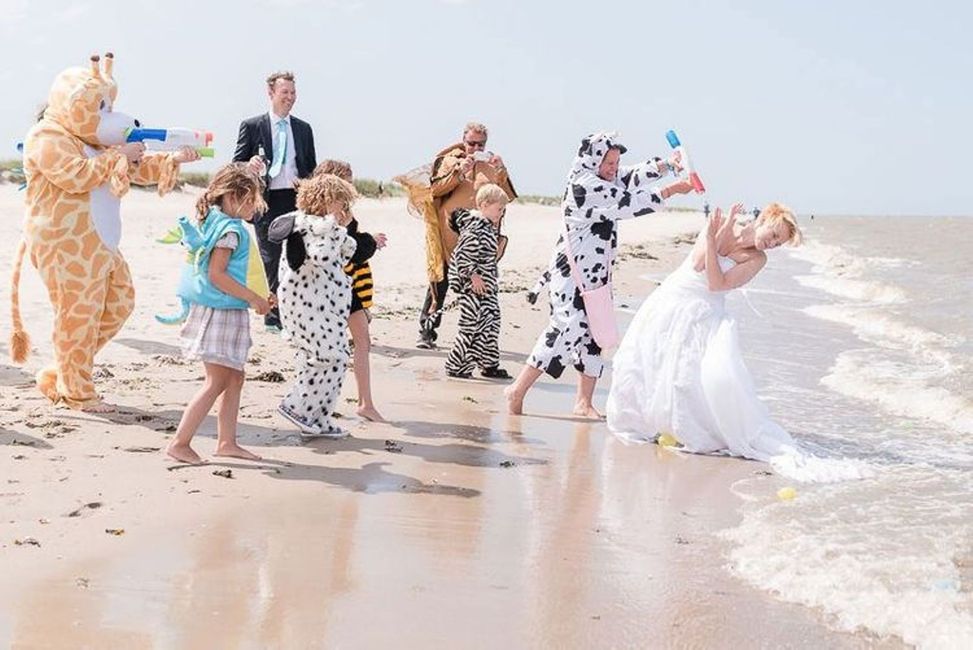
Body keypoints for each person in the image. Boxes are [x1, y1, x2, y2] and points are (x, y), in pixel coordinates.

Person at [606, 203, 864, 481]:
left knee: (691, 377)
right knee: (645, 360)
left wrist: (712, 238)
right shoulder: (725, 226)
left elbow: (716, 284)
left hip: (704, 309)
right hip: (672, 298)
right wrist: (720, 231)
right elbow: (697, 264)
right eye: (774, 234)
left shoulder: (757, 259)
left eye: (778, 242)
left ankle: (684, 427)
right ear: (764, 218)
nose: (772, 243)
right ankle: (646, 421)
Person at [9, 52, 200, 413]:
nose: (108, 114)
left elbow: (133, 168)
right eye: (100, 106)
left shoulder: (96, 141)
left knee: (120, 302)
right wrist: (118, 156)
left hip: (100, 242)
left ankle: (62, 372)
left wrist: (171, 160)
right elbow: (75, 174)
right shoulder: (46, 135)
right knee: (76, 315)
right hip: (65, 243)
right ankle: (78, 393)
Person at [504, 132, 694, 417]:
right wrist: (671, 190)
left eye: (616, 162)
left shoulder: (606, 177)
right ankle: (517, 390)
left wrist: (669, 165)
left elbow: (630, 178)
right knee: (565, 329)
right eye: (608, 163)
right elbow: (626, 203)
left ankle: (583, 403)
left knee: (597, 332)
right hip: (571, 273)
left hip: (598, 274)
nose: (613, 168)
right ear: (593, 159)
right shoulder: (585, 184)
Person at [166, 164, 272, 464]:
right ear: (233, 196)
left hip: (224, 309)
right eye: (251, 200)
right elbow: (217, 275)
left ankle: (227, 442)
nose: (255, 207)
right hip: (220, 312)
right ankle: (180, 442)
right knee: (216, 381)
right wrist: (253, 298)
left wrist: (258, 296)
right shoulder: (229, 229)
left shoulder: (216, 220)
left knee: (235, 376)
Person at [268, 174, 358, 439]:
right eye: (340, 202)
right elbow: (322, 255)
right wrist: (336, 228)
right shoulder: (310, 225)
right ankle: (296, 406)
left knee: (338, 358)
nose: (343, 208)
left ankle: (319, 416)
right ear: (327, 201)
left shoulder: (326, 227)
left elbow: (347, 252)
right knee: (326, 356)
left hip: (327, 306)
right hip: (308, 306)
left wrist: (341, 229)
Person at [417, 122, 517, 349]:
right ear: (463, 140)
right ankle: (427, 331)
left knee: (480, 286)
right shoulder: (450, 161)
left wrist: (501, 170)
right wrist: (458, 173)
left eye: (480, 144)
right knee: (439, 280)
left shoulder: (491, 165)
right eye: (471, 143)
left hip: (481, 236)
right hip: (448, 232)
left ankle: (476, 338)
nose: (475, 147)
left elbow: (507, 196)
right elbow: (434, 190)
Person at [233, 70, 317, 331]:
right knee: (270, 257)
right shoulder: (252, 126)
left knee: (296, 256)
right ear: (271, 94)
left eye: (293, 92)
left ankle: (294, 311)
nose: (290, 97)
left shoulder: (303, 129)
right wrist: (249, 165)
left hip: (295, 200)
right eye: (285, 92)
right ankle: (273, 315)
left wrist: (307, 185)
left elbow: (311, 168)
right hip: (265, 201)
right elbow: (235, 164)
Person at [313, 160, 388, 422]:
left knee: (361, 341)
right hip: (334, 288)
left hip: (349, 286)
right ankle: (323, 404)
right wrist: (369, 241)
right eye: (347, 180)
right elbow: (346, 249)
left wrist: (368, 240)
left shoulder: (341, 211)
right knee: (334, 347)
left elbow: (353, 244)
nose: (352, 185)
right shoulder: (324, 215)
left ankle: (365, 402)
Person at [444, 184, 511, 380]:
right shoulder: (475, 226)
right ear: (484, 205)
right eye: (499, 209)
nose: (501, 214)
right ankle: (456, 365)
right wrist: (473, 276)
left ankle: (489, 364)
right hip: (474, 288)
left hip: (486, 287)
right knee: (472, 325)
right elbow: (463, 255)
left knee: (491, 323)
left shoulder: (486, 226)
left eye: (503, 210)